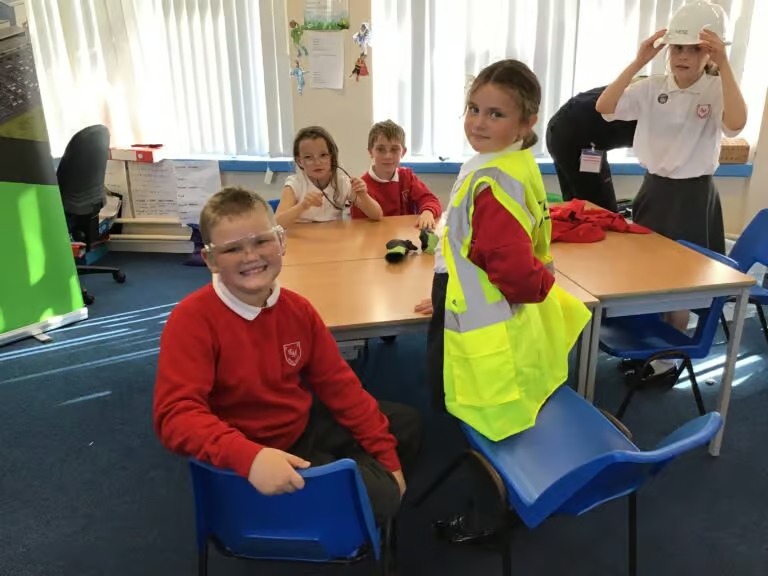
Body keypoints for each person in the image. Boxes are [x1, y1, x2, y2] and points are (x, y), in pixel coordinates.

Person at [153, 186, 421, 524]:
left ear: (281, 241)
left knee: (406, 425)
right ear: (210, 260)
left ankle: (337, 484)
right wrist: (249, 457)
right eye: (232, 248)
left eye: (261, 241)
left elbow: (340, 387)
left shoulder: (298, 310)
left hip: (298, 426)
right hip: (248, 452)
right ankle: (333, 492)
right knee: (383, 496)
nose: (250, 256)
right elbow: (175, 416)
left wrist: (387, 458)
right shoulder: (192, 319)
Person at [415, 59, 590, 438]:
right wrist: (449, 292)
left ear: (527, 123)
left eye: (496, 114)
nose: (478, 123)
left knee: (461, 386)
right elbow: (470, 244)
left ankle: (469, 455)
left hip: (491, 306)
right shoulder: (510, 162)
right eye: (473, 109)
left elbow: (510, 267)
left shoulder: (492, 181)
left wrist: (539, 285)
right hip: (464, 292)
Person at [596, 1, 747, 383]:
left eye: (695, 49)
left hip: (693, 194)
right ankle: (652, 348)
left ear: (709, 53)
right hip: (655, 189)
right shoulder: (652, 86)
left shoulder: (716, 88)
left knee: (682, 279)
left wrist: (725, 65)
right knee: (648, 275)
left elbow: (736, 123)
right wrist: (638, 60)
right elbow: (605, 106)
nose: (683, 56)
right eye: (677, 47)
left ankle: (667, 362)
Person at [546, 86, 637, 212]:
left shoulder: (651, 89)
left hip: (564, 127)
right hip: (575, 136)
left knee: (578, 207)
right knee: (599, 212)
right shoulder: (656, 103)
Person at [275, 126, 383, 227]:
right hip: (301, 238)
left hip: (332, 237)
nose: (317, 162)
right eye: (308, 157)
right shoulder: (294, 184)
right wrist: (303, 206)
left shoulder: (342, 183)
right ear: (299, 161)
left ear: (332, 156)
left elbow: (377, 215)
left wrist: (363, 195)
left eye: (323, 155)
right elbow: (277, 222)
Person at [352, 119, 443, 230]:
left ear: (403, 152)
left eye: (394, 150)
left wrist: (427, 212)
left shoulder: (407, 177)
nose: (388, 156)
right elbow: (359, 226)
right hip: (376, 238)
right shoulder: (362, 187)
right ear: (371, 152)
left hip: (406, 237)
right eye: (380, 149)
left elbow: (430, 199)